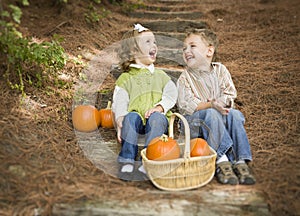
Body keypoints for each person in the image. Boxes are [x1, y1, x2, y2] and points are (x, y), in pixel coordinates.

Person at [176, 28, 256, 185]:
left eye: (192, 46)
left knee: (235, 114)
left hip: (220, 119)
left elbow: (229, 94)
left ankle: (240, 162)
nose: (187, 51)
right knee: (211, 113)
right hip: (193, 124)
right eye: (184, 48)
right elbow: (186, 106)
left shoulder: (221, 70)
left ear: (209, 51)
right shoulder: (184, 78)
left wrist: (223, 104)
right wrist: (211, 104)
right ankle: (222, 161)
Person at [112, 24, 178, 181]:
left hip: (156, 117)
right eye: (148, 42)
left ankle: (147, 160)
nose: (154, 45)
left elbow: (171, 93)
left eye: (154, 42)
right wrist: (120, 118)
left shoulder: (161, 75)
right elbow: (120, 100)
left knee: (157, 119)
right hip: (135, 116)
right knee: (130, 118)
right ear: (134, 51)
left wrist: (160, 107)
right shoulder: (125, 78)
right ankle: (127, 160)